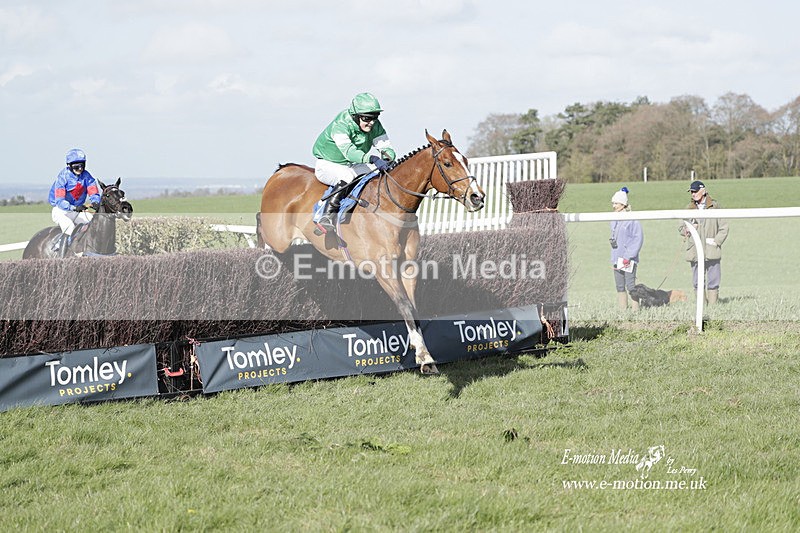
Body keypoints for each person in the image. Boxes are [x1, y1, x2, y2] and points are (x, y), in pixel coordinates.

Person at [311, 92, 397, 231]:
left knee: (376, 174)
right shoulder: (341, 124)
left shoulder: (375, 125)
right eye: (367, 118)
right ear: (355, 116)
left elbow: (385, 146)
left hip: (352, 165)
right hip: (327, 164)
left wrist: (387, 158)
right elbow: (349, 152)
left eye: (375, 117)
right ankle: (326, 216)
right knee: (346, 175)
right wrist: (372, 158)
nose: (372, 122)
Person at [680, 180, 728, 305]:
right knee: (697, 281)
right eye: (691, 192)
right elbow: (681, 227)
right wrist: (688, 229)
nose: (693, 194)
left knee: (713, 280)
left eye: (695, 191)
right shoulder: (688, 209)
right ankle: (701, 306)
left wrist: (716, 242)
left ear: (703, 191)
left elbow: (724, 227)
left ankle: (713, 306)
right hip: (694, 250)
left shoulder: (715, 206)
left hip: (711, 250)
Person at [48, 148, 101, 256]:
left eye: (82, 165)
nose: (80, 168)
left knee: (93, 222)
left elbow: (93, 191)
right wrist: (73, 208)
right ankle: (61, 259)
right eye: (76, 166)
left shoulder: (87, 176)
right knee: (70, 228)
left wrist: (96, 202)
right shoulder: (62, 177)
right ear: (69, 165)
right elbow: (59, 201)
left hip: (77, 211)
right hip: (61, 211)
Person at [609, 187, 644, 311]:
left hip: (628, 259)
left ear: (623, 204)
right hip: (616, 258)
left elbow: (637, 239)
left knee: (630, 285)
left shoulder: (632, 219)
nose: (614, 206)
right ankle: (623, 310)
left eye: (616, 203)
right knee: (619, 286)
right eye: (613, 203)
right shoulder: (613, 219)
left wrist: (629, 256)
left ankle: (635, 310)